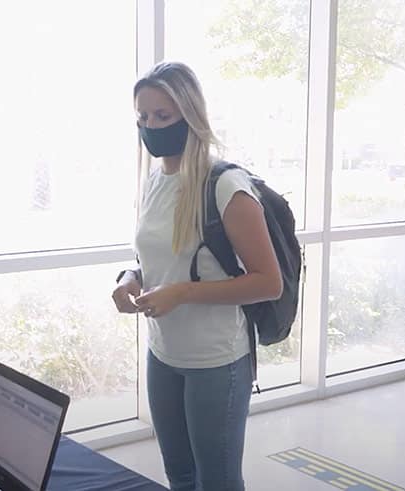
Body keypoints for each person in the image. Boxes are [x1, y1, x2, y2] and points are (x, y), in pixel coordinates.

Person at [111, 62, 283, 491]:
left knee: (217, 481)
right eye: (142, 117)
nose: (150, 126)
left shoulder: (224, 185)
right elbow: (154, 258)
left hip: (216, 362)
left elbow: (268, 282)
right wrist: (129, 277)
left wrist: (183, 293)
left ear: (190, 115)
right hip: (163, 354)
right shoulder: (154, 180)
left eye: (162, 116)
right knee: (181, 477)